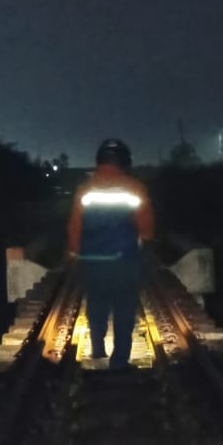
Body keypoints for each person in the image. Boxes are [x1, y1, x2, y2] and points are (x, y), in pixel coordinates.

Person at [66, 138, 155, 370]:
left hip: (93, 262)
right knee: (124, 308)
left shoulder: (85, 190)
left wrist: (76, 252)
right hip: (125, 262)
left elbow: (75, 226)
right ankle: (119, 361)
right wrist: (142, 241)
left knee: (96, 303)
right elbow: (146, 229)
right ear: (125, 161)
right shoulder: (135, 188)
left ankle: (97, 349)